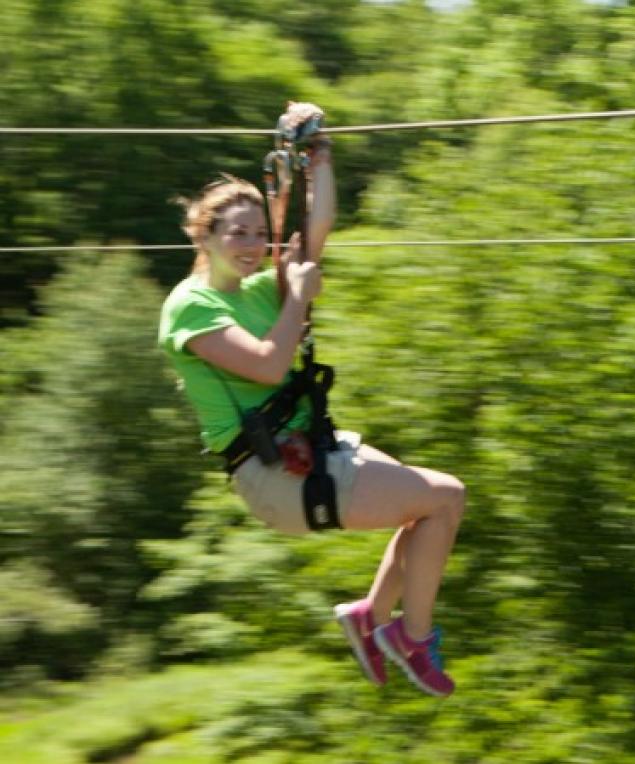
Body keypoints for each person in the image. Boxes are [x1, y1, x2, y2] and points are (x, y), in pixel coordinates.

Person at [157, 102, 464, 697]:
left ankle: (374, 618)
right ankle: (406, 635)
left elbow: (315, 232)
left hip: (307, 455)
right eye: (235, 234)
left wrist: (319, 155)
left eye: (257, 234)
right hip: (273, 477)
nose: (250, 245)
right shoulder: (191, 307)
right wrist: (295, 297)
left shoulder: (256, 286)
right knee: (441, 503)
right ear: (204, 236)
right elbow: (270, 368)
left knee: (439, 503)